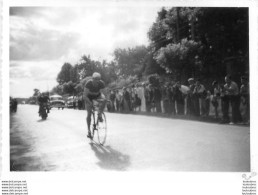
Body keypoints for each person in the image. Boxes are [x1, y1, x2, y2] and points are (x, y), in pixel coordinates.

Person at [84, 72, 107, 138]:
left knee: (105, 100)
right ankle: (89, 131)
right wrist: (90, 103)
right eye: (95, 80)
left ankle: (100, 114)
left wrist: (106, 100)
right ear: (92, 79)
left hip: (97, 96)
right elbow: (84, 96)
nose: (97, 82)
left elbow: (105, 94)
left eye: (98, 80)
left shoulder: (101, 83)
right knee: (89, 114)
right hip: (89, 97)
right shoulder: (88, 83)